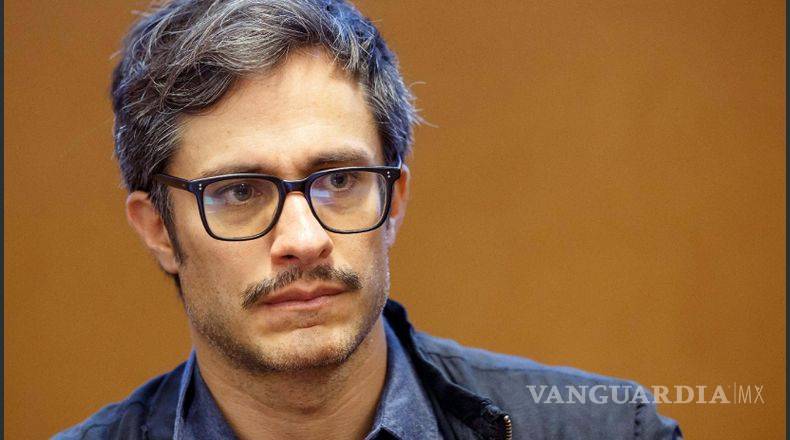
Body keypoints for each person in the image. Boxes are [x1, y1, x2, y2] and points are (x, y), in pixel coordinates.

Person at [56, 1, 683, 439]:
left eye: (338, 181)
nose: (304, 240)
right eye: (239, 191)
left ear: (395, 201)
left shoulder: (607, 430)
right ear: (159, 229)